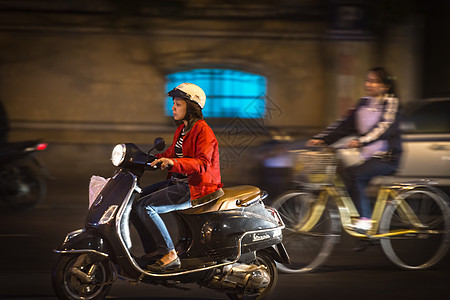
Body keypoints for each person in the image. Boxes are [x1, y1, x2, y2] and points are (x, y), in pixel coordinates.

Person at [131, 82, 223, 272]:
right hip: (179, 182)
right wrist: (143, 159)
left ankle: (169, 253)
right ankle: (154, 252)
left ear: (192, 106)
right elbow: (172, 152)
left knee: (147, 207)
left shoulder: (203, 131)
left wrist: (174, 163)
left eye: (178, 104)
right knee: (135, 202)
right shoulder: (182, 130)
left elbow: (202, 164)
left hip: (197, 187)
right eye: (174, 103)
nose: (173, 107)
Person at [306, 67, 402, 232]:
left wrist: (361, 141)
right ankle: (366, 228)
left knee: (356, 176)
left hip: (387, 157)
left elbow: (385, 127)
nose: (369, 84)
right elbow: (344, 125)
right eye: (368, 80)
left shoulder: (391, 102)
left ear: (386, 86)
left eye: (375, 81)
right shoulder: (363, 103)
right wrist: (322, 139)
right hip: (369, 156)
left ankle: (365, 220)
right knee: (346, 177)